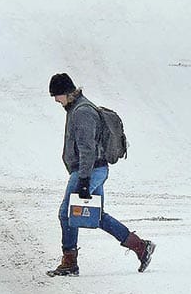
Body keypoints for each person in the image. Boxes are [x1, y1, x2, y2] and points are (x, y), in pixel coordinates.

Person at [47, 73, 155, 276]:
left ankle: (69, 262)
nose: (55, 100)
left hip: (89, 170)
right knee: (96, 216)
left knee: (66, 214)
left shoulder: (82, 112)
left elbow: (87, 148)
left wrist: (85, 180)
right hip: (94, 169)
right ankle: (141, 247)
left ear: (68, 92)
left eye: (57, 95)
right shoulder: (75, 108)